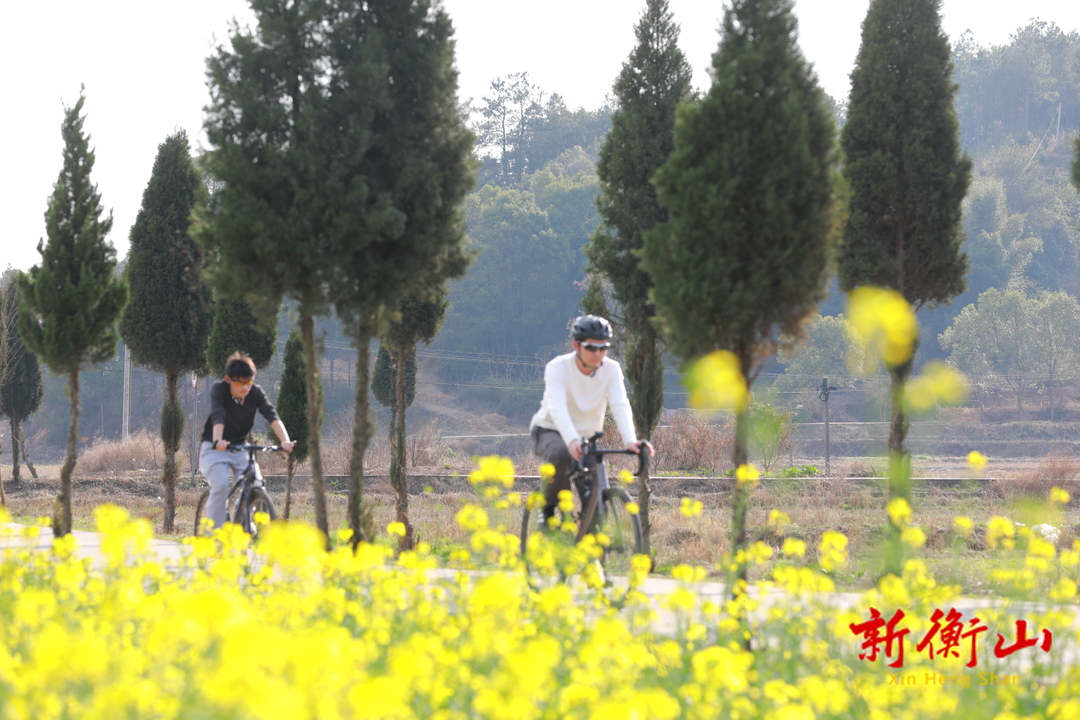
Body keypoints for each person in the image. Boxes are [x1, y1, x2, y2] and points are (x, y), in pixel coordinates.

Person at [530, 315, 651, 525]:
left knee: (595, 498)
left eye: (603, 348)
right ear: (576, 345)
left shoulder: (611, 369)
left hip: (586, 436)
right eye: (591, 347)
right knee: (561, 455)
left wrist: (630, 441)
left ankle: (591, 546)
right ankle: (547, 508)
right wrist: (571, 440)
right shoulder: (557, 367)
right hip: (550, 430)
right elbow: (558, 408)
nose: (598, 353)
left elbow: (620, 404)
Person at [199, 352, 294, 527]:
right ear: (228, 379)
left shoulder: (256, 393)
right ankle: (216, 532)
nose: (245, 387)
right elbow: (218, 415)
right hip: (214, 447)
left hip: (240, 447)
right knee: (220, 484)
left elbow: (271, 415)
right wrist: (218, 441)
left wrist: (285, 441)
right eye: (239, 382)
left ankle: (244, 520)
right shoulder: (219, 390)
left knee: (256, 484)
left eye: (248, 382)